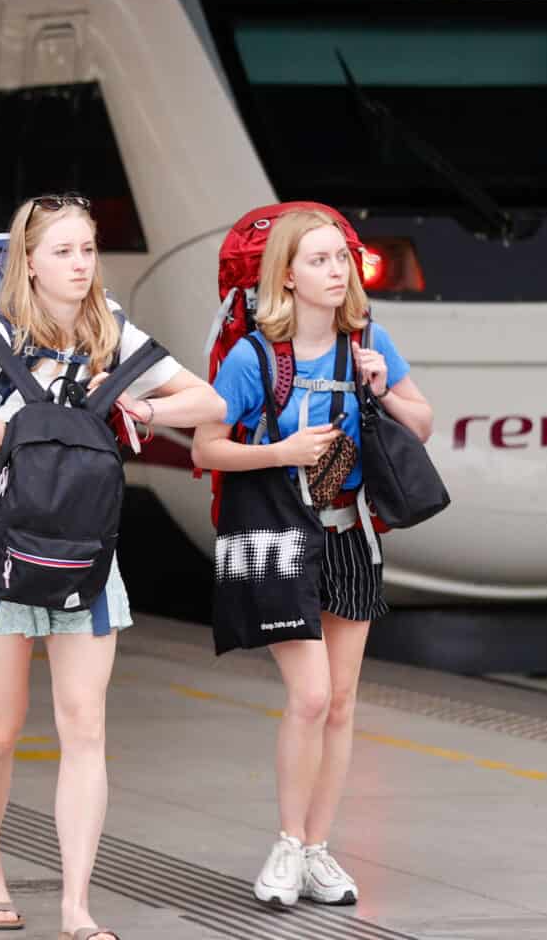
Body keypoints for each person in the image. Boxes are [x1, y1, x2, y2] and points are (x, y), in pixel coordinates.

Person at [0, 195, 223, 939]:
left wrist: (143, 412)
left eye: (88, 250)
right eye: (63, 251)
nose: (80, 264)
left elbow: (209, 401)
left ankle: (76, 905)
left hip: (88, 559)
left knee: (85, 727)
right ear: (29, 262)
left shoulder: (113, 337)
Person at [190, 209, 433, 909]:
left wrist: (383, 386)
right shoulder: (254, 358)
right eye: (320, 261)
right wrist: (280, 453)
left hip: (349, 533)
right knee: (313, 695)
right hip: (276, 536)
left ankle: (320, 850)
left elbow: (423, 423)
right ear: (286, 277)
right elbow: (207, 448)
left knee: (343, 702)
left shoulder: (370, 341)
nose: (337, 272)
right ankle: (288, 845)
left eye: (341, 259)